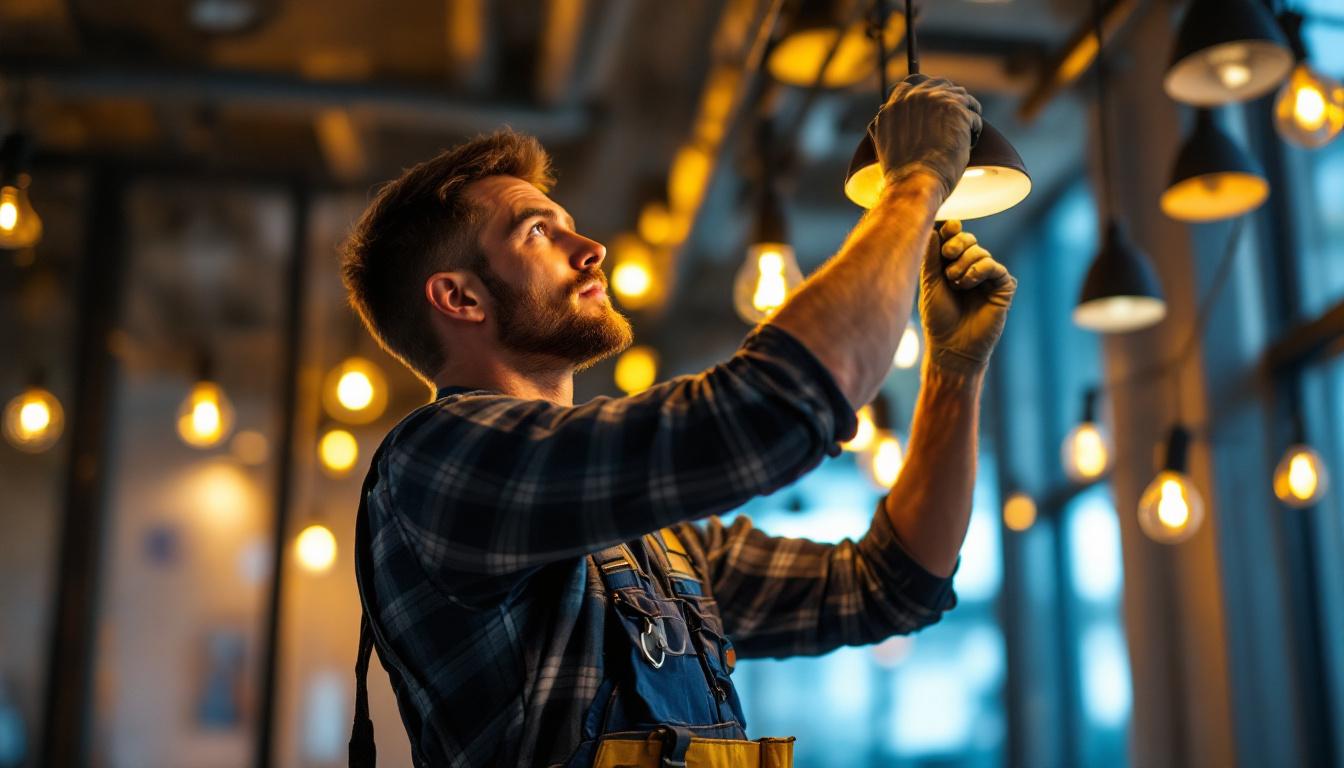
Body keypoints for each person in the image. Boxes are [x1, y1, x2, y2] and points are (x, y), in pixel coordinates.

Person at [340, 75, 1015, 767]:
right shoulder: (433, 463)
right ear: (460, 297)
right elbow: (767, 414)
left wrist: (953, 373)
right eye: (539, 231)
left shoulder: (655, 547)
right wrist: (914, 182)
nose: (590, 247)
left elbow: (890, 588)